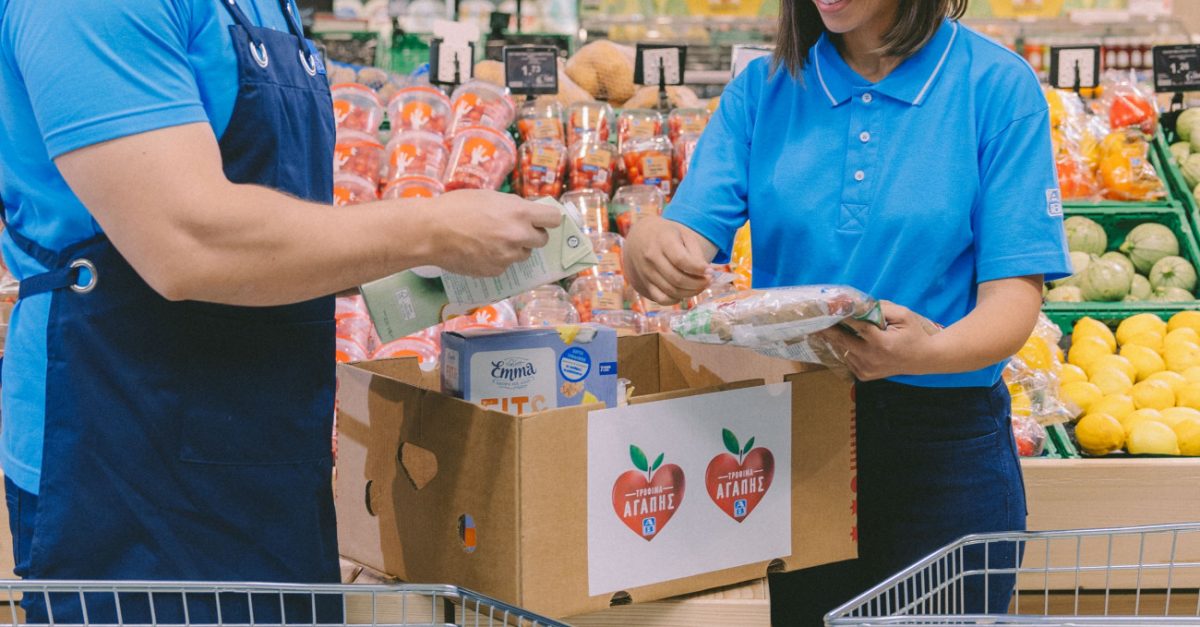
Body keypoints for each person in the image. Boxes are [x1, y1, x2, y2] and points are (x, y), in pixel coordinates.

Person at [0, 0, 557, 621]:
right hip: (121, 444)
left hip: (269, 439)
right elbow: (185, 242)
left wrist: (416, 274)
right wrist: (427, 228)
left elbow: (280, 217)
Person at [624, 0, 1071, 624]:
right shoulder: (765, 88)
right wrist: (651, 245)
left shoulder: (994, 85)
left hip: (943, 448)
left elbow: (1014, 299)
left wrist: (927, 352)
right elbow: (687, 235)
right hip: (792, 436)